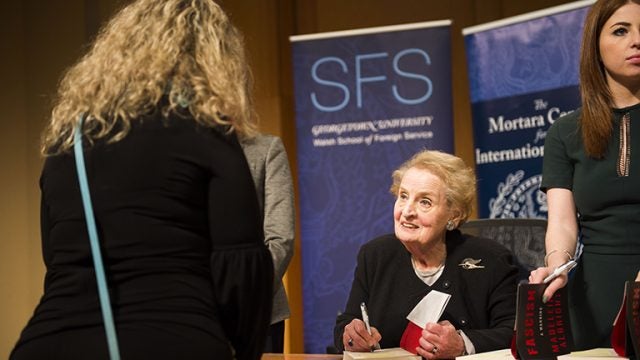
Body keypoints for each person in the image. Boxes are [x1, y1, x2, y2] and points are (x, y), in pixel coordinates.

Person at [10, 1, 273, 359]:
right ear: (215, 58)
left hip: (49, 342)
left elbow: (56, 260)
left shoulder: (67, 142)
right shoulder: (205, 130)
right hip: (173, 340)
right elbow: (239, 267)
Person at [528, 0, 640, 351]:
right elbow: (561, 223)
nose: (637, 41)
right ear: (595, 45)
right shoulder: (564, 132)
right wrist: (556, 266)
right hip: (592, 299)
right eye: (621, 31)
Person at [334, 150, 518, 359]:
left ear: (453, 214)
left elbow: (512, 332)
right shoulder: (375, 256)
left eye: (425, 202)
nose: (407, 211)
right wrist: (351, 336)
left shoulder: (492, 259)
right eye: (403, 196)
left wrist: (462, 344)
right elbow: (347, 322)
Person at [241, 134, 295, 352]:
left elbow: (281, 239)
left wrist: (241, 295)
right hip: (190, 310)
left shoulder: (265, 149)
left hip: (259, 312)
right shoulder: (175, 151)